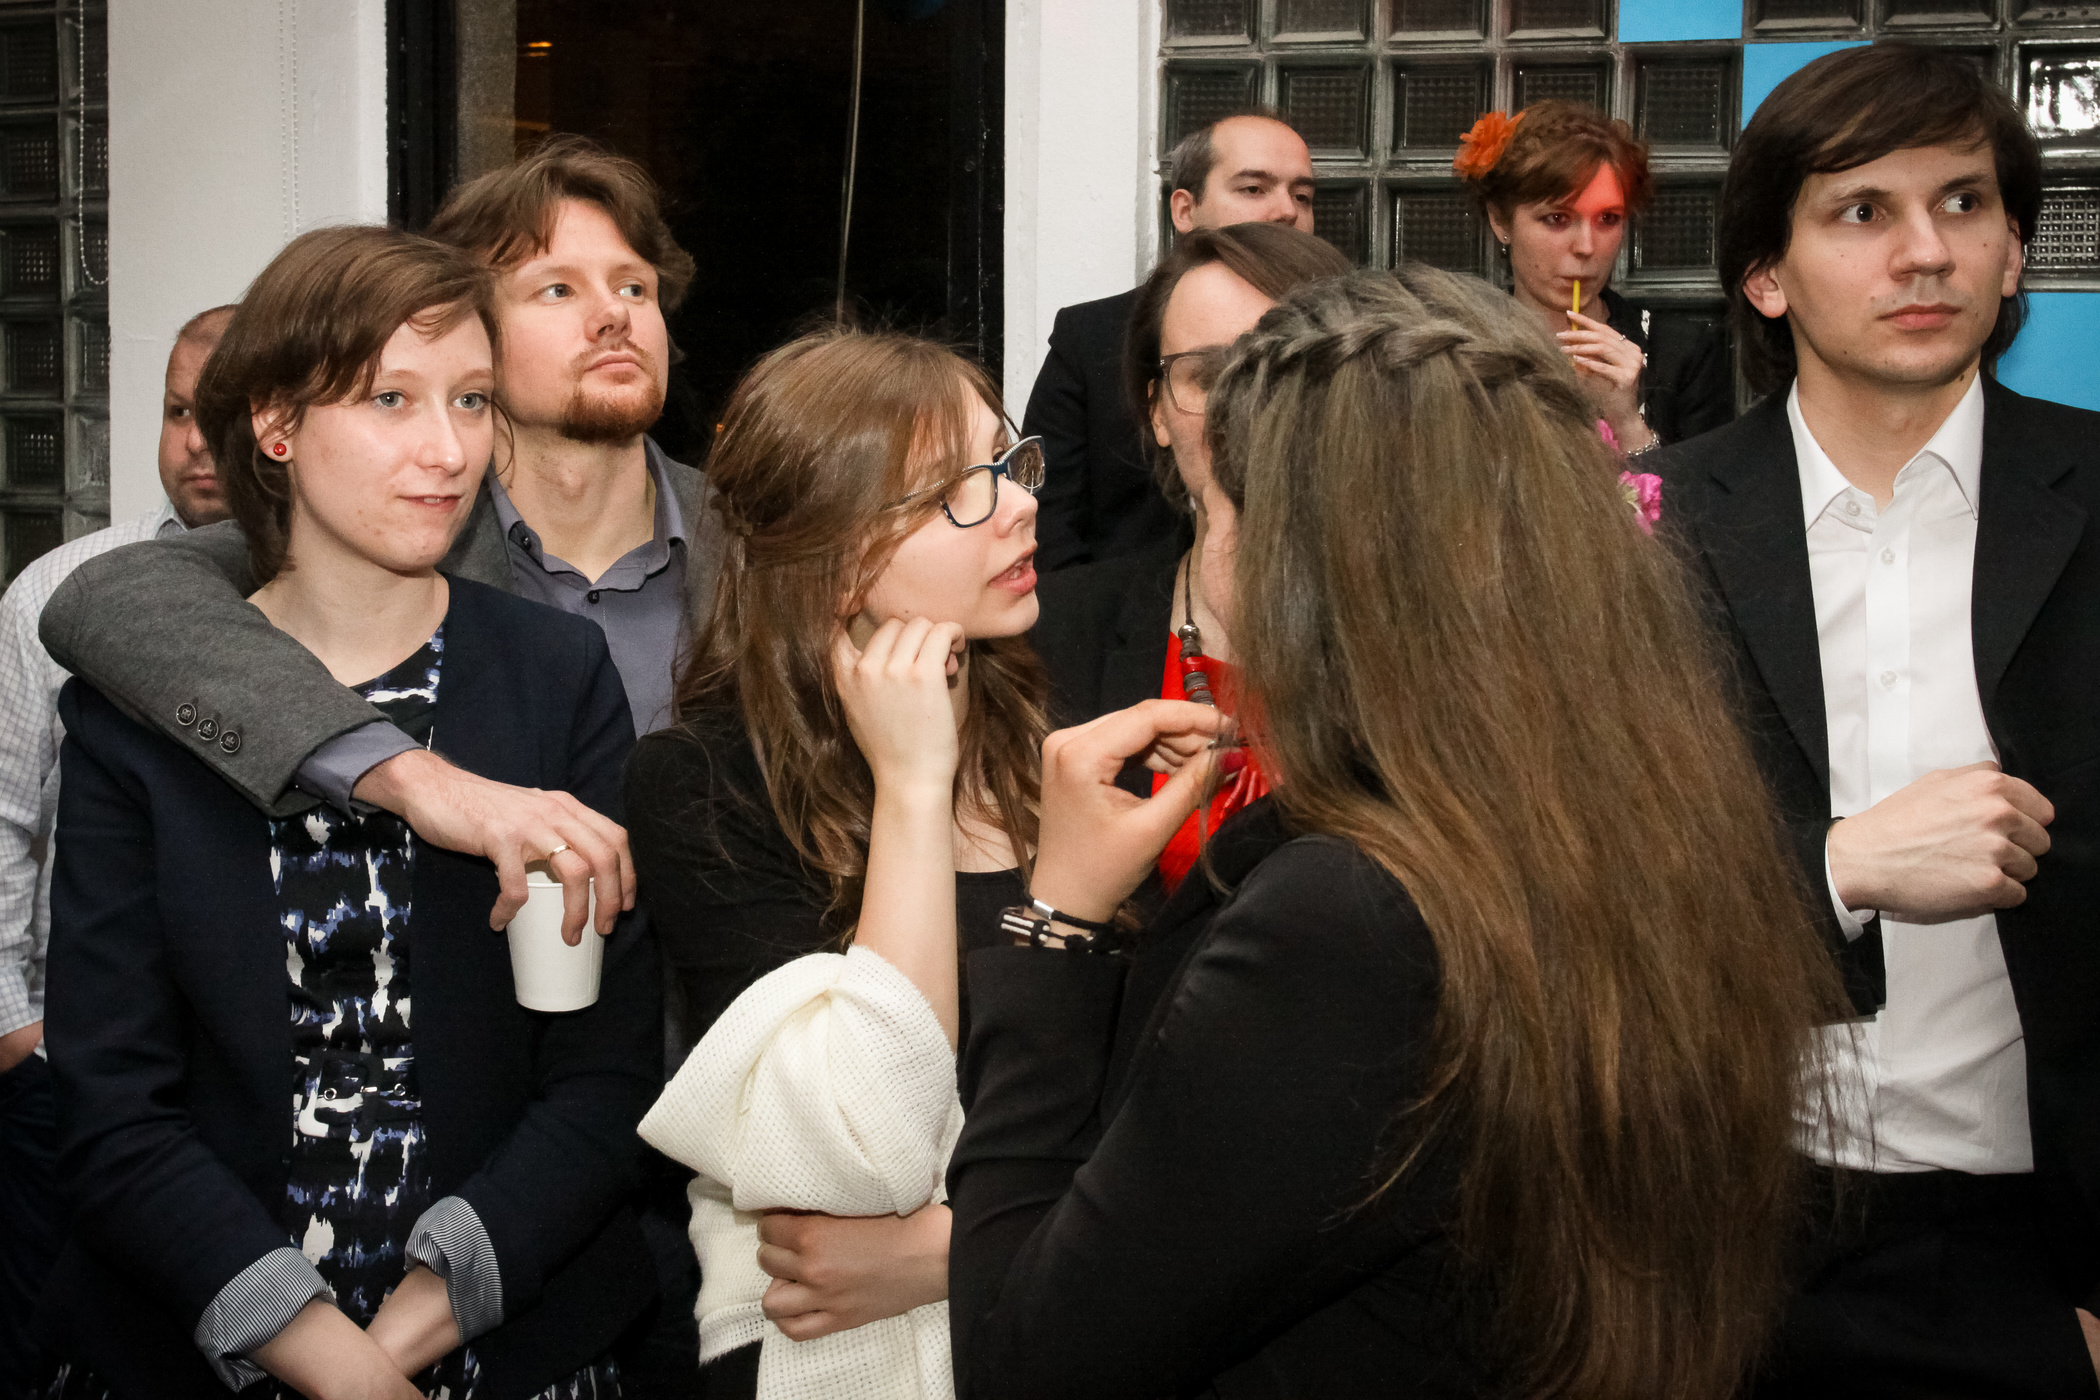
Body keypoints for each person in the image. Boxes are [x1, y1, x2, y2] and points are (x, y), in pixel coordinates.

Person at [945, 265, 1847, 1397]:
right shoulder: (1641, 807)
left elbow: (1026, 1361)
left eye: (1226, 511)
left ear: (1313, 568)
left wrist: (1058, 925)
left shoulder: (1351, 917)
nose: (1212, 549)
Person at [35, 225, 661, 1399]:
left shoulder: (555, 673)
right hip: (199, 1338)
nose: (447, 449)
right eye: (390, 399)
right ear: (275, 424)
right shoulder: (145, 704)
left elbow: (606, 1073)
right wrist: (329, 1361)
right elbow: (115, 1107)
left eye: (471, 400)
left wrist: (404, 1338)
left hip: (512, 1337)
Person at [1658, 43, 2100, 1394]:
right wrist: (1839, 869)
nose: (1925, 252)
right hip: (1720, 1242)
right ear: (1765, 273)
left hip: (2046, 1255)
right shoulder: (1642, 535)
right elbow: (1579, 894)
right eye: (1863, 211)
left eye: (1964, 203)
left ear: (2015, 253)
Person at [38, 134, 725, 943]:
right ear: (470, 333)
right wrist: (410, 777)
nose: (614, 315)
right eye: (557, 289)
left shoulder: (760, 540)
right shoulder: (392, 535)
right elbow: (107, 599)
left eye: (635, 286)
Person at [624, 328, 1046, 1398]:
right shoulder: (706, 783)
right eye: (957, 492)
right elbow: (862, 1145)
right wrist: (912, 788)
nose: (1017, 505)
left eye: (1009, 463)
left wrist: (955, 1249)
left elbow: (1160, 1110)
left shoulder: (1063, 731)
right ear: (838, 557)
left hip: (1064, 1322)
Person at [0, 304, 234, 1400]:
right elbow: (4, 821)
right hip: (69, 1078)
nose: (196, 443)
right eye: (178, 413)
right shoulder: (58, 593)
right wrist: (18, 1031)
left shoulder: (324, 600)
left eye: (223, 416)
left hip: (240, 1087)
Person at [1032, 222, 1347, 904]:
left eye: (1280, 369)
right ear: (1157, 414)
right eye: (1209, 374)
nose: (1244, 408)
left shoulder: (1426, 647)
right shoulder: (1053, 637)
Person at [1026, 111, 1316, 573]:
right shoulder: (1091, 337)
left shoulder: (1341, 337)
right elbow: (1048, 523)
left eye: (1302, 196)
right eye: (1253, 189)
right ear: (1184, 210)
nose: (1286, 210)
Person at [1454, 99, 1735, 453]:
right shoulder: (1456, 355)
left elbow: (1709, 488)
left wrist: (1627, 425)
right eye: (1557, 218)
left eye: (1608, 219)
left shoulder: (1682, 354)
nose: (1586, 247)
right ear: (1500, 220)